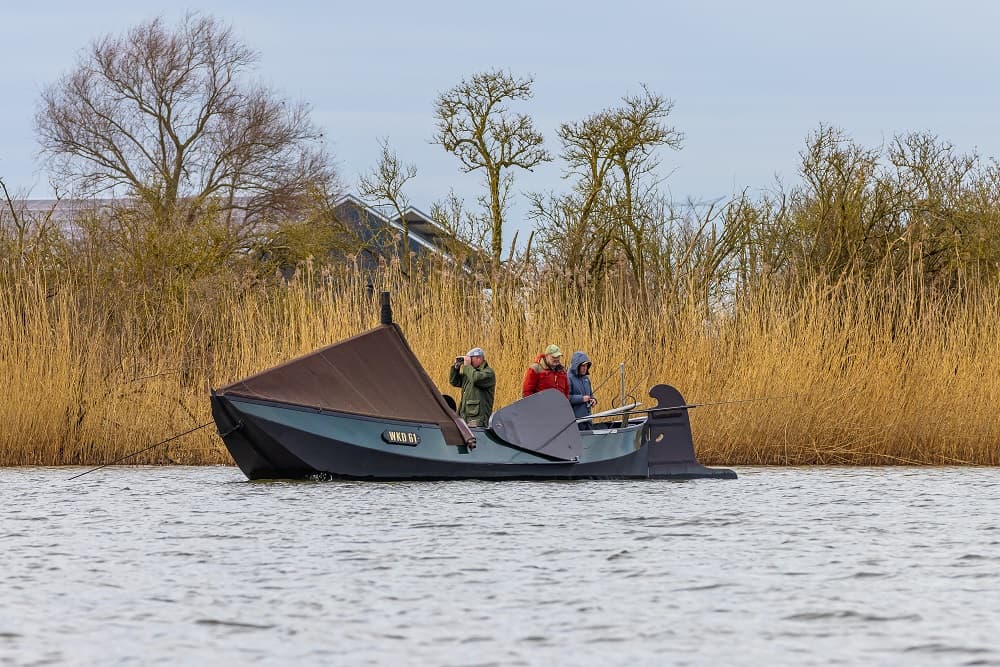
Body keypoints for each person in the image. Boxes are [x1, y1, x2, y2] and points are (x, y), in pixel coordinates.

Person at [448, 347, 496, 427]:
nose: (469, 361)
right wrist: (456, 367)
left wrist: (467, 366)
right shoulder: (471, 372)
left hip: (478, 419)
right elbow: (454, 381)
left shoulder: (488, 373)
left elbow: (476, 379)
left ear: (479, 358)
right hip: (464, 417)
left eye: (470, 359)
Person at [568, 351, 598, 427]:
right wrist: (581, 399)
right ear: (576, 366)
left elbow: (591, 395)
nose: (585, 368)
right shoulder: (568, 378)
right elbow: (566, 398)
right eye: (583, 366)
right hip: (575, 422)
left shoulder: (586, 379)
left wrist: (593, 400)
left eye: (587, 366)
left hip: (588, 419)